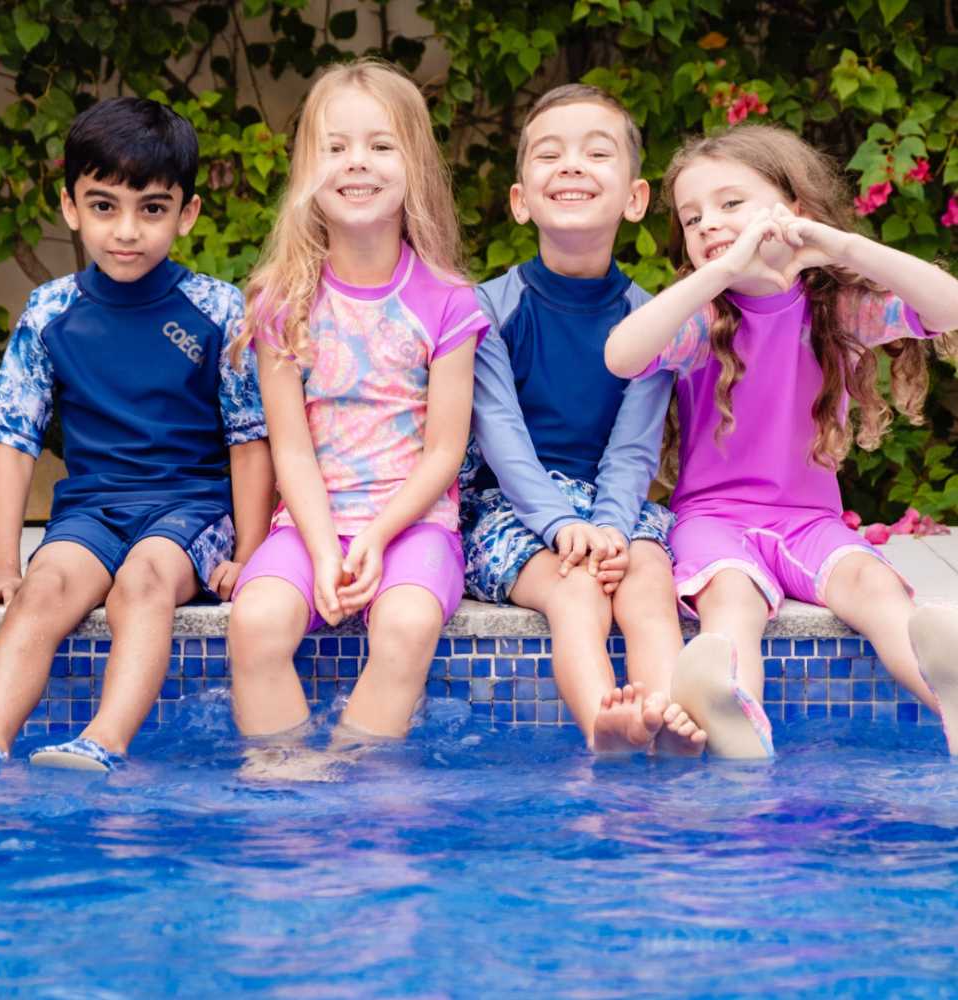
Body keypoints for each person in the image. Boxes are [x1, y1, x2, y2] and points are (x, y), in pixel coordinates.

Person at [604, 123, 958, 758]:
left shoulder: (837, 310)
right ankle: (737, 714)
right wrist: (719, 275)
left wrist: (842, 245)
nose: (708, 223)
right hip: (713, 521)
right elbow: (623, 354)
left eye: (730, 204)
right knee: (731, 601)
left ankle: (948, 694)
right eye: (691, 217)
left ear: (792, 211)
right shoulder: (702, 320)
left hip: (811, 523)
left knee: (874, 590)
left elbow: (949, 305)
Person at [0, 97, 272, 772]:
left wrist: (248, 553)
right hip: (92, 511)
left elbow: (250, 442)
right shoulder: (51, 312)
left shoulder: (217, 309)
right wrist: (2, 567)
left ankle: (101, 741)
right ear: (71, 207)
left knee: (144, 581)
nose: (126, 230)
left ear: (186, 214)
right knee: (45, 588)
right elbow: (14, 443)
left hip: (190, 509)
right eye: (104, 206)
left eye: (151, 209)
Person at [226, 59, 486, 745]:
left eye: (379, 145)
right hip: (309, 521)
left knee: (404, 626)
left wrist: (373, 538)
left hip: (413, 525)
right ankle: (289, 789)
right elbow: (291, 449)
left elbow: (445, 452)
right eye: (334, 147)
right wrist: (320, 550)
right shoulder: (283, 303)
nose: (356, 163)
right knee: (253, 625)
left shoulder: (449, 302)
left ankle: (359, 795)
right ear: (308, 169)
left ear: (416, 167)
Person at [462, 84, 706, 756]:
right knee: (576, 594)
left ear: (635, 199)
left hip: (615, 508)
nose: (571, 165)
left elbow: (633, 449)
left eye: (597, 153)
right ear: (520, 200)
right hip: (514, 511)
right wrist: (561, 525)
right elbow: (501, 438)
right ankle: (605, 720)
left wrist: (609, 525)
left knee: (651, 585)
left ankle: (662, 714)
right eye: (549, 154)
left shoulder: (653, 320)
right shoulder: (487, 310)